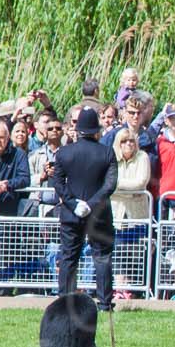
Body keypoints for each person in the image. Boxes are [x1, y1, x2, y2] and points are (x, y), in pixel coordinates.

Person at [52, 108, 121, 308]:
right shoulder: (107, 152)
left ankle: (65, 300)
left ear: (78, 129)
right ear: (96, 129)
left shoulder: (65, 152)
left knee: (69, 256)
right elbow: (110, 184)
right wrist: (90, 204)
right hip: (99, 213)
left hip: (71, 213)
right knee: (102, 256)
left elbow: (58, 182)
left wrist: (74, 203)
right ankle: (105, 302)